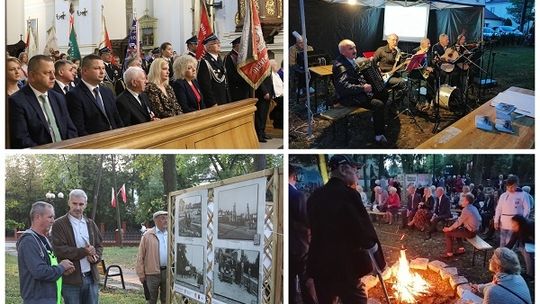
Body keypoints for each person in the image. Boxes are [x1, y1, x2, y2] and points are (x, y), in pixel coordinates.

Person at [307, 155, 385, 303]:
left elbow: (311, 231)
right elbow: (364, 232)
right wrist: (379, 262)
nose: (357, 175)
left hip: (319, 266)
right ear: (343, 169)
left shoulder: (314, 197)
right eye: (355, 170)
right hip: (343, 267)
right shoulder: (349, 195)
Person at [9, 55, 78, 148]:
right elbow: (22, 139)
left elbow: (70, 129)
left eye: (53, 72)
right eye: (47, 73)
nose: (53, 77)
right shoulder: (16, 101)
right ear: (32, 76)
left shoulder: (59, 97)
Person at [17, 202, 75, 304]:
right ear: (38, 217)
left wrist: (61, 271)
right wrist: (61, 267)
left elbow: (48, 266)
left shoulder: (44, 238)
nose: (53, 221)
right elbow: (39, 271)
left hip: (52, 299)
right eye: (50, 217)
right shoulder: (28, 241)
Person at [51, 189, 103, 304]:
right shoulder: (59, 224)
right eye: (74, 203)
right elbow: (60, 250)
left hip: (91, 277)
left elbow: (99, 246)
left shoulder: (90, 223)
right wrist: (85, 252)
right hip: (71, 280)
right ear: (69, 202)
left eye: (81, 204)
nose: (78, 207)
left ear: (85, 205)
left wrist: (95, 257)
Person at [333, 39, 389, 144]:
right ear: (342, 52)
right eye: (350, 49)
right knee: (378, 104)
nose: (354, 50)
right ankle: (379, 135)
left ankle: (376, 118)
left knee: (384, 93)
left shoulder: (351, 60)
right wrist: (362, 88)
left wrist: (374, 75)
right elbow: (343, 87)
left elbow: (357, 75)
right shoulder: (340, 66)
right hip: (347, 97)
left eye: (354, 47)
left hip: (357, 92)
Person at [66, 54, 123, 136]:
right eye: (97, 68)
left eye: (103, 68)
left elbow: (117, 118)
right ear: (85, 71)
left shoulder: (107, 91)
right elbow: (79, 128)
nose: (102, 72)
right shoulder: (74, 95)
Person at [289, 165, 317, 304]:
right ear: (294, 177)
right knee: (305, 279)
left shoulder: (281, 191)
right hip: (299, 245)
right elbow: (305, 220)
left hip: (285, 245)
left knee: (289, 281)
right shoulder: (297, 195)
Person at [136, 211, 169, 304]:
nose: (166, 220)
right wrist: (141, 274)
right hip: (151, 274)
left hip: (167, 273)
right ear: (156, 220)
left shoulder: (170, 234)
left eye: (167, 218)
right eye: (163, 218)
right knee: (151, 300)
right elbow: (140, 256)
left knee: (166, 299)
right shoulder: (147, 235)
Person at [494, 175, 530, 247]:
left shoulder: (523, 195)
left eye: (512, 187)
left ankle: (508, 257)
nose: (510, 189)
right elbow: (499, 208)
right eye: (508, 187)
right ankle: (501, 255)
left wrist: (521, 221)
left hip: (515, 223)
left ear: (516, 185)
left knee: (509, 242)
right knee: (502, 241)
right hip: (503, 222)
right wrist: (496, 220)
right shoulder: (503, 195)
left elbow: (527, 209)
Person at [442, 193, 482, 258]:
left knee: (448, 233)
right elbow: (480, 219)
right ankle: (461, 249)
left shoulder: (466, 210)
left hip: (470, 232)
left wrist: (448, 229)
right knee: (457, 230)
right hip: (474, 230)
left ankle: (449, 253)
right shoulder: (473, 207)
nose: (461, 201)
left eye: (463, 200)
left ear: (467, 202)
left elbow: (458, 222)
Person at [373, 33, 407, 103]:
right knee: (403, 83)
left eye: (396, 40)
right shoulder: (381, 50)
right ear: (388, 41)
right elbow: (372, 63)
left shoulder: (398, 51)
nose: (395, 42)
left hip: (394, 74)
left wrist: (406, 64)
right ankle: (391, 103)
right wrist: (378, 72)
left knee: (407, 84)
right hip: (384, 77)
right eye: (393, 40)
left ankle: (394, 103)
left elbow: (400, 66)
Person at [197, 34, 230, 106]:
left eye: (219, 43)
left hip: (224, 98)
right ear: (208, 47)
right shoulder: (204, 62)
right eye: (215, 43)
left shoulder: (219, 59)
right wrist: (212, 103)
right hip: (215, 102)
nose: (219, 45)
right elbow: (205, 86)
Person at [506, 215, 534, 280]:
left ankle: (530, 275)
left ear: (520, 224)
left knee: (529, 255)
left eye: (514, 225)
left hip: (532, 245)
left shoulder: (531, 227)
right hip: (528, 246)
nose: (512, 226)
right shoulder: (517, 231)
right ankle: (530, 272)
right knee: (524, 251)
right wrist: (501, 251)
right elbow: (511, 243)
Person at [224, 37, 250, 102]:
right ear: (237, 45)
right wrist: (245, 78)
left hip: (245, 87)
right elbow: (230, 75)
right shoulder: (230, 57)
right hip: (236, 90)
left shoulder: (242, 56)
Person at [289, 32, 313, 96]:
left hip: (309, 66)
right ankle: (300, 88)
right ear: (296, 43)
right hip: (296, 67)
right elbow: (292, 63)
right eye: (300, 43)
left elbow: (313, 59)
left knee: (313, 71)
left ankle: (308, 86)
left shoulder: (310, 48)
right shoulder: (292, 49)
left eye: (304, 43)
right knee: (302, 72)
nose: (302, 44)